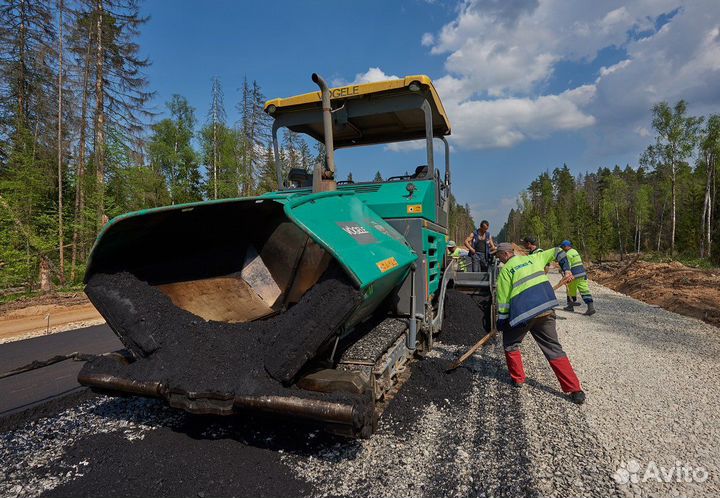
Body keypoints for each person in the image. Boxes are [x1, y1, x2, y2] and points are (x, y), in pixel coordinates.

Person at [494, 242, 586, 404]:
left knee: (510, 343)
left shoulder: (505, 271)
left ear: (505, 254)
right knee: (553, 348)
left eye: (499, 256)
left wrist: (502, 323)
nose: (499, 260)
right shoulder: (534, 258)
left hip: (524, 315)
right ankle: (575, 389)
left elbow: (503, 303)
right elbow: (559, 251)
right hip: (546, 309)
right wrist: (567, 269)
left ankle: (518, 379)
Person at [559, 240, 596, 316]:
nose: (562, 249)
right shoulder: (575, 251)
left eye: (563, 247)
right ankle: (591, 307)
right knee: (584, 290)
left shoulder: (567, 254)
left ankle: (570, 306)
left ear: (566, 247)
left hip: (573, 276)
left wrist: (562, 271)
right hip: (582, 274)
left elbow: (567, 266)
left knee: (571, 290)